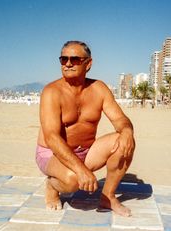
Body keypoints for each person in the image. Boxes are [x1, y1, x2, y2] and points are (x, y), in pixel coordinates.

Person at [36, 41, 135, 217]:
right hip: (52, 153)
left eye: (74, 59)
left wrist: (127, 131)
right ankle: (52, 185)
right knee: (73, 181)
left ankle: (108, 197)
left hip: (86, 152)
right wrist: (81, 171)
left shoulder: (99, 89)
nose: (67, 64)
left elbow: (120, 119)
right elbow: (51, 137)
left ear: (88, 64)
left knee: (125, 141)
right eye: (63, 59)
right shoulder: (52, 91)